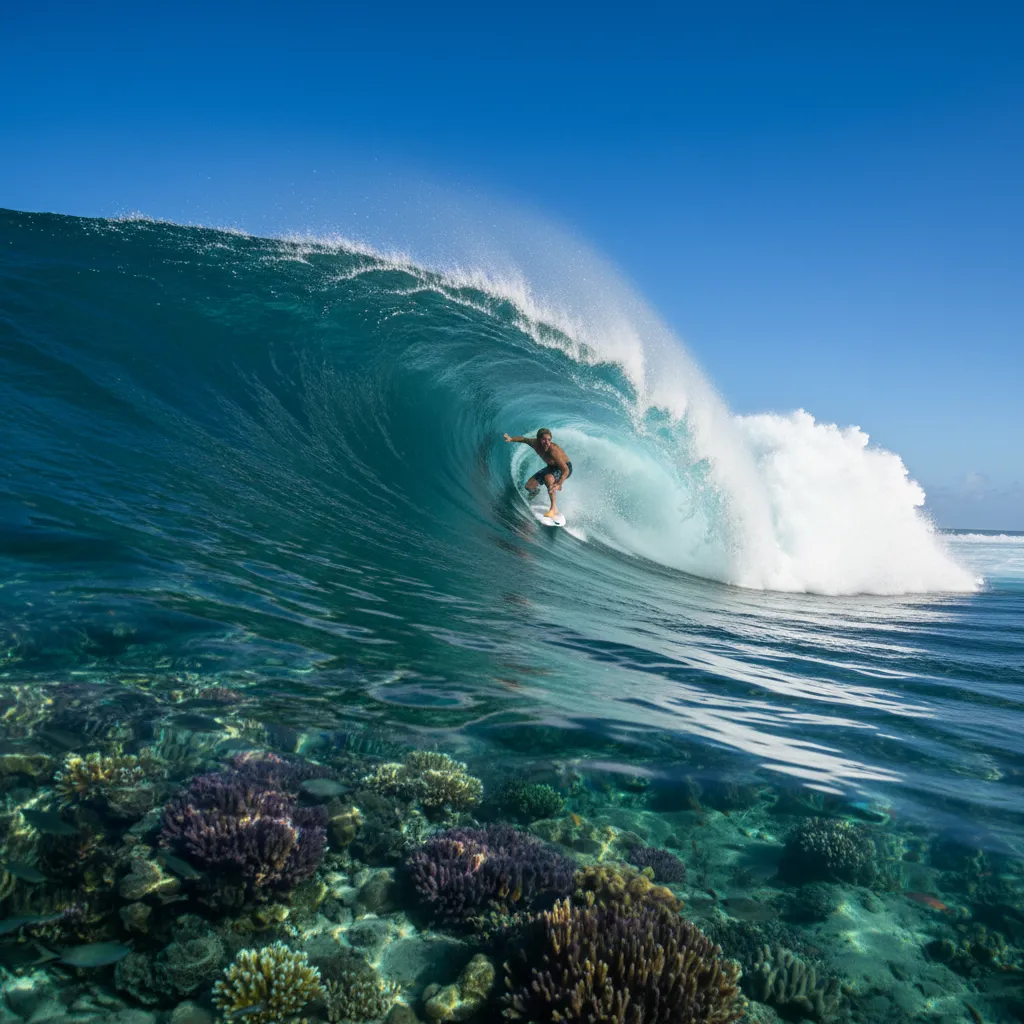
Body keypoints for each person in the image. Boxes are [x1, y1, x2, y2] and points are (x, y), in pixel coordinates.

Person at [503, 428, 572, 520]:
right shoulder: (534, 443)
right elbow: (523, 439)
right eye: (544, 439)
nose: (547, 442)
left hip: (565, 468)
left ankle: (553, 509)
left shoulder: (553, 450)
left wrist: (559, 484)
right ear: (538, 439)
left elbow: (565, 470)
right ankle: (534, 495)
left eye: (549, 440)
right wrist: (511, 439)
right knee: (529, 487)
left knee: (548, 478)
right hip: (552, 467)